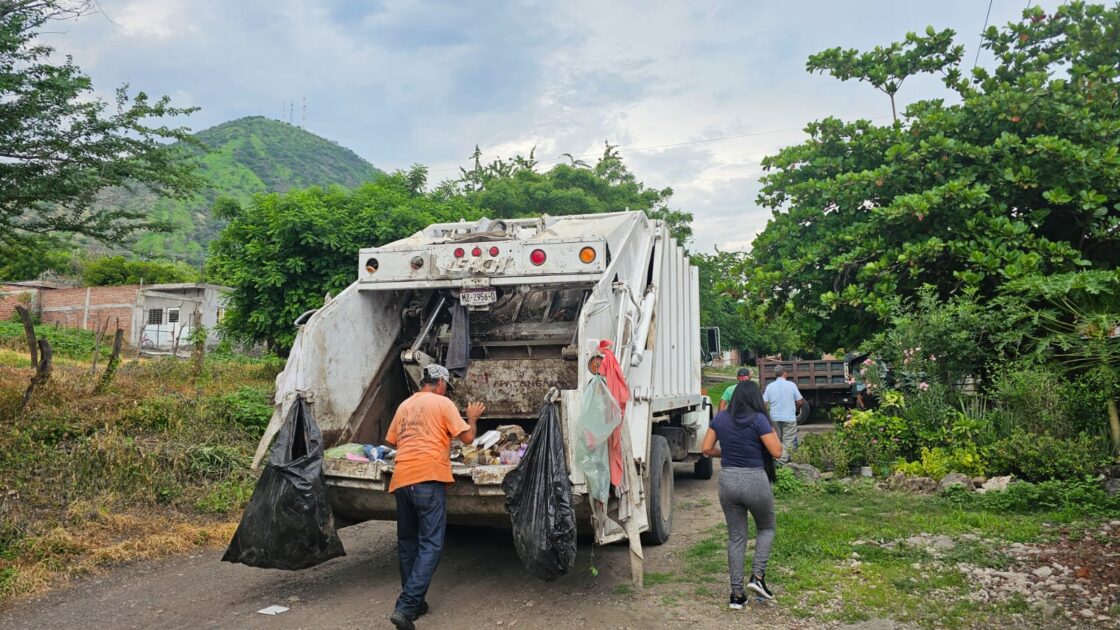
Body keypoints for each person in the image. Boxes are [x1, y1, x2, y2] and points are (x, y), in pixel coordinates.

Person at [384, 364, 485, 630]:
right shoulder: (443, 404)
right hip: (428, 478)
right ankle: (406, 606)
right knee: (431, 544)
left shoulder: (405, 406)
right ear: (440, 383)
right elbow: (468, 439)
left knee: (408, 543)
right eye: (446, 387)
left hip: (402, 478)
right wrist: (472, 416)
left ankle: (415, 603)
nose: (445, 390)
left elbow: (393, 440)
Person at [701, 381, 783, 608]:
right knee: (766, 528)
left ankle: (736, 595)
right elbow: (776, 451)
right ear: (756, 398)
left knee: (736, 537)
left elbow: (706, 449)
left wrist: (726, 453)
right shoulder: (758, 420)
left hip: (728, 481)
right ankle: (757, 577)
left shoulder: (721, 418)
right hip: (755, 480)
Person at [763, 365, 803, 465]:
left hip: (774, 418)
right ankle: (780, 463)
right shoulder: (791, 385)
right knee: (788, 440)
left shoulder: (770, 386)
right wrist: (796, 409)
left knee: (777, 440)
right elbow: (800, 401)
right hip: (789, 417)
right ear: (785, 373)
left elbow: (764, 403)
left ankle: (777, 459)